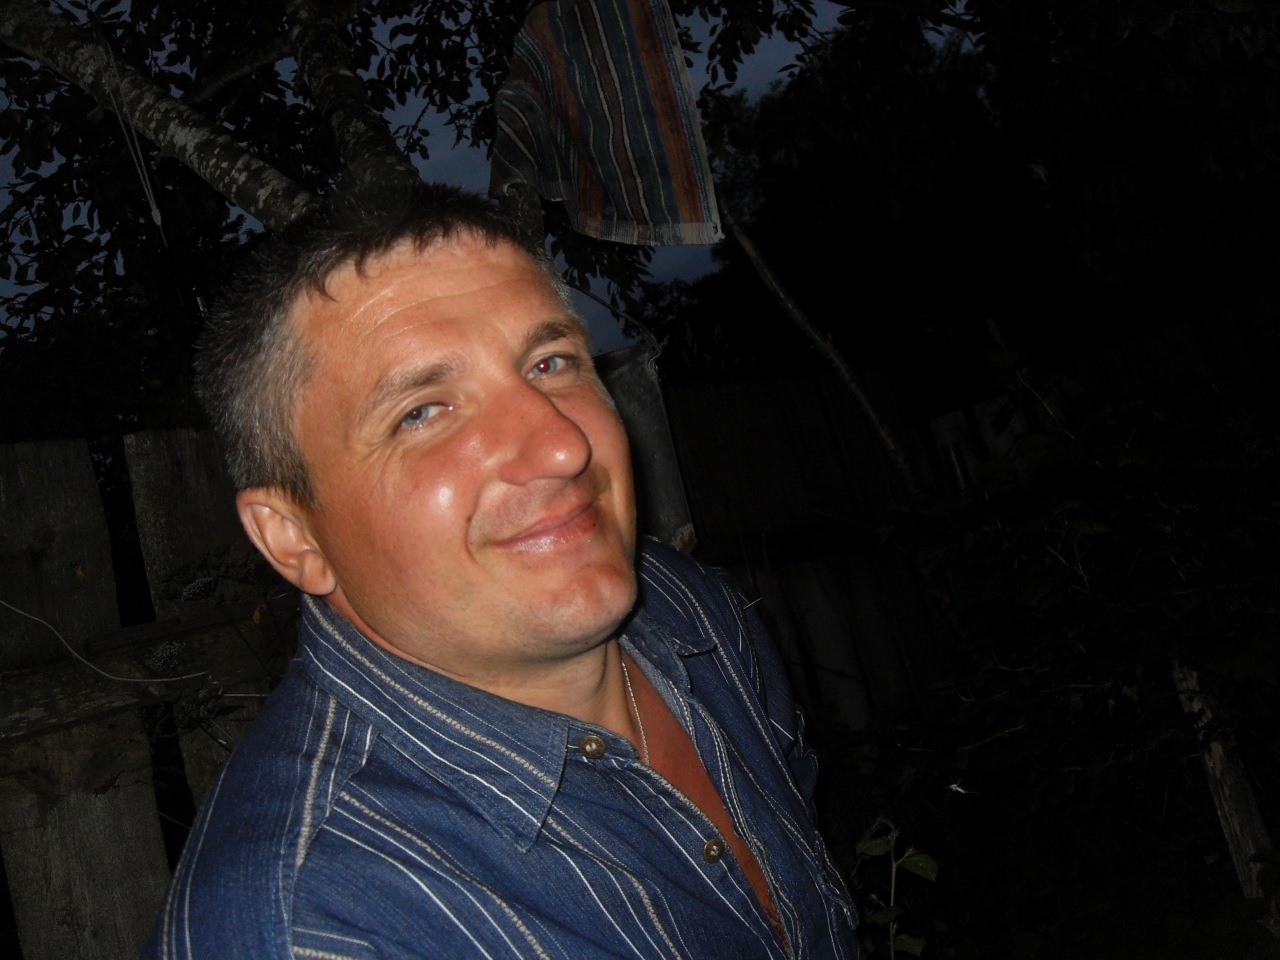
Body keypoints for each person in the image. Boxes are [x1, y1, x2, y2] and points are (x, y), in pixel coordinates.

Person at [143, 184, 860, 960]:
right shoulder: (314, 929)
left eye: (551, 362)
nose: (562, 446)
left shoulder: (691, 609)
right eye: (423, 411)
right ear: (293, 539)